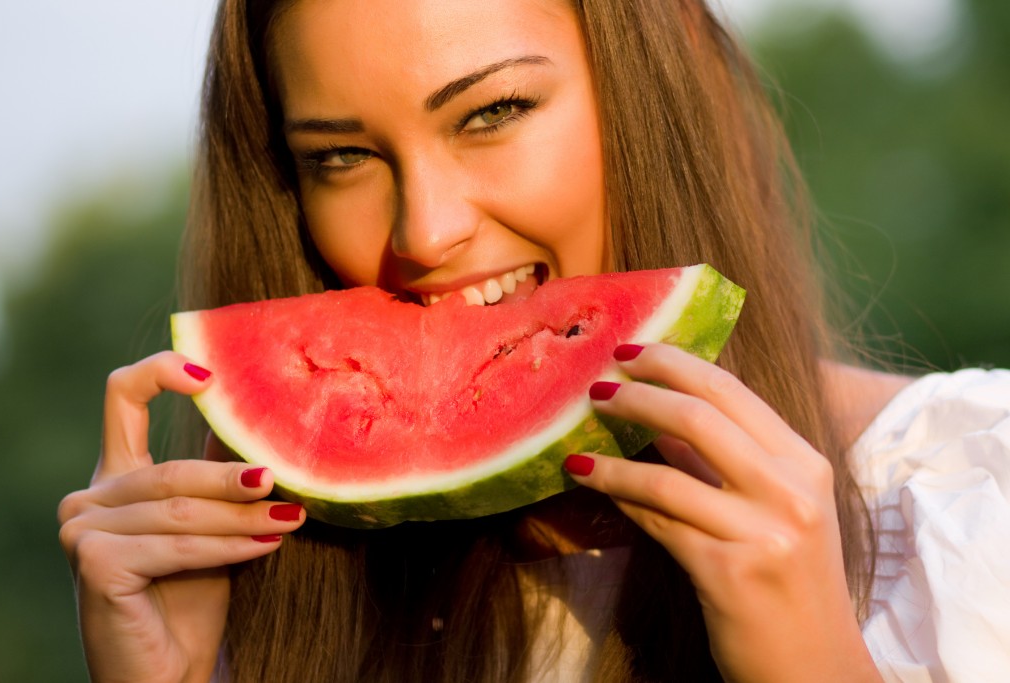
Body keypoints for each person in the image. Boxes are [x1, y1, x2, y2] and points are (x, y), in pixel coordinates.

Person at [57, 0, 1010, 681]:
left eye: (495, 112)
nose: (426, 232)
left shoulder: (973, 504)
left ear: (666, 69)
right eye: (340, 157)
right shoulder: (243, 604)